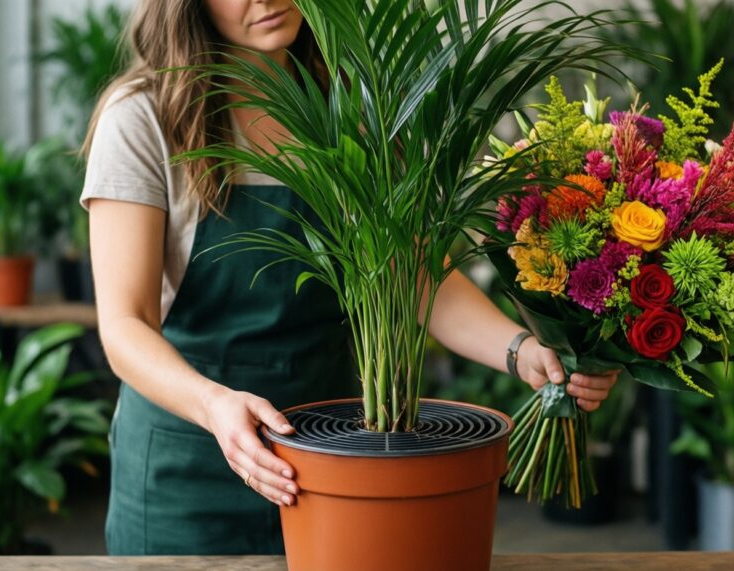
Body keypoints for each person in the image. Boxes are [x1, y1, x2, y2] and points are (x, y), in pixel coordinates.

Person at [81, 0, 620, 556]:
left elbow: (412, 279)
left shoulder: (359, 112)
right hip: (186, 468)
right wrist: (213, 406)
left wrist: (522, 351)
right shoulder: (146, 118)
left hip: (337, 458)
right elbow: (125, 325)